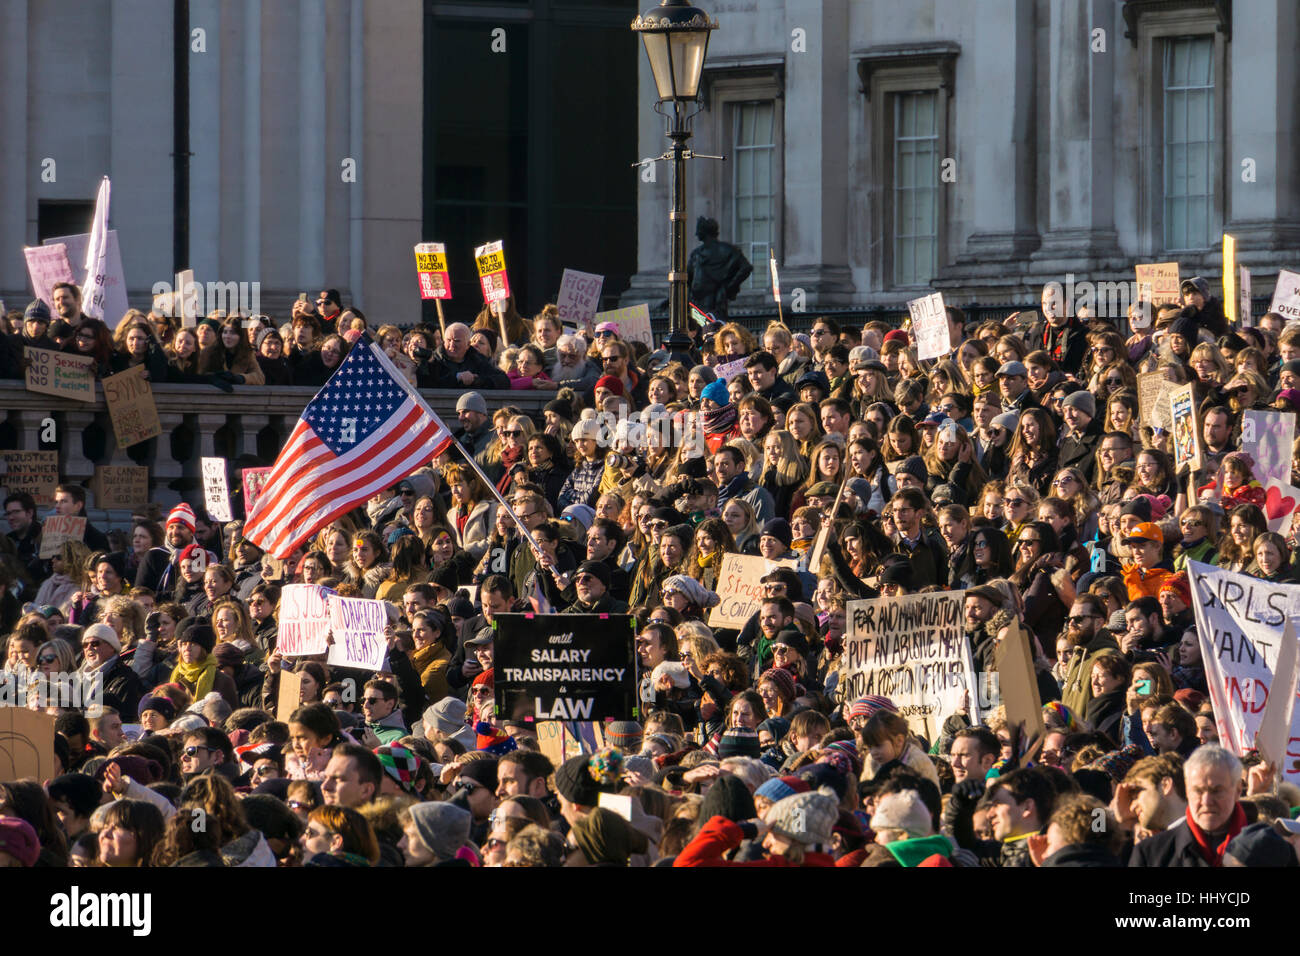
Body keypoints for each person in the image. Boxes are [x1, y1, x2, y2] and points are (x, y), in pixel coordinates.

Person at [1131, 745, 1247, 867]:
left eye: (1216, 791)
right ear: (1187, 790)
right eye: (1198, 791)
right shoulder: (1151, 853)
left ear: (1238, 790)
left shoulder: (1264, 847)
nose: (1206, 801)